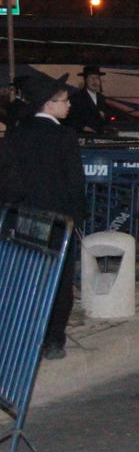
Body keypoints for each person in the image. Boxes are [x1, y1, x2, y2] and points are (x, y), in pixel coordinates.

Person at [0, 75, 85, 359]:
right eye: (64, 101)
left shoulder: (15, 135)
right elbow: (74, 183)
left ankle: (24, 338)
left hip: (24, 216)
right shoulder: (64, 136)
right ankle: (53, 340)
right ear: (49, 105)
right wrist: (77, 217)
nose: (69, 105)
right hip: (59, 218)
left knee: (26, 277)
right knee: (59, 282)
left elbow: (8, 181)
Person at [66, 65, 110, 136]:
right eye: (92, 78)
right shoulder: (76, 97)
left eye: (97, 78)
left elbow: (106, 117)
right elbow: (69, 118)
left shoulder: (101, 98)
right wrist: (83, 127)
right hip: (83, 135)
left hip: (100, 135)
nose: (94, 81)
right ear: (85, 80)